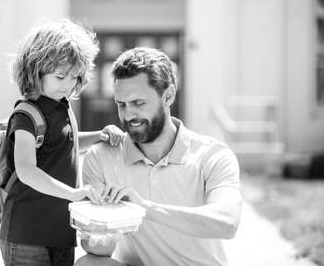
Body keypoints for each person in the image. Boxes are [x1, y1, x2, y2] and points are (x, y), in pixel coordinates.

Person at [76, 47, 242, 266]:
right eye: (121, 104)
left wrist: (141, 208)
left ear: (168, 95)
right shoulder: (100, 157)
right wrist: (103, 223)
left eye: (139, 103)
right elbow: (96, 249)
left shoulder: (212, 155)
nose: (128, 115)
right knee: (88, 264)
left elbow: (227, 222)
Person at [0, 19, 124, 266]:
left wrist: (99, 135)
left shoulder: (62, 107)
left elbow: (63, 143)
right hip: (27, 235)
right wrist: (75, 194)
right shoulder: (25, 115)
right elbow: (26, 170)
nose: (68, 85)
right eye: (60, 77)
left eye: (74, 77)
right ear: (35, 71)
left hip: (61, 233)